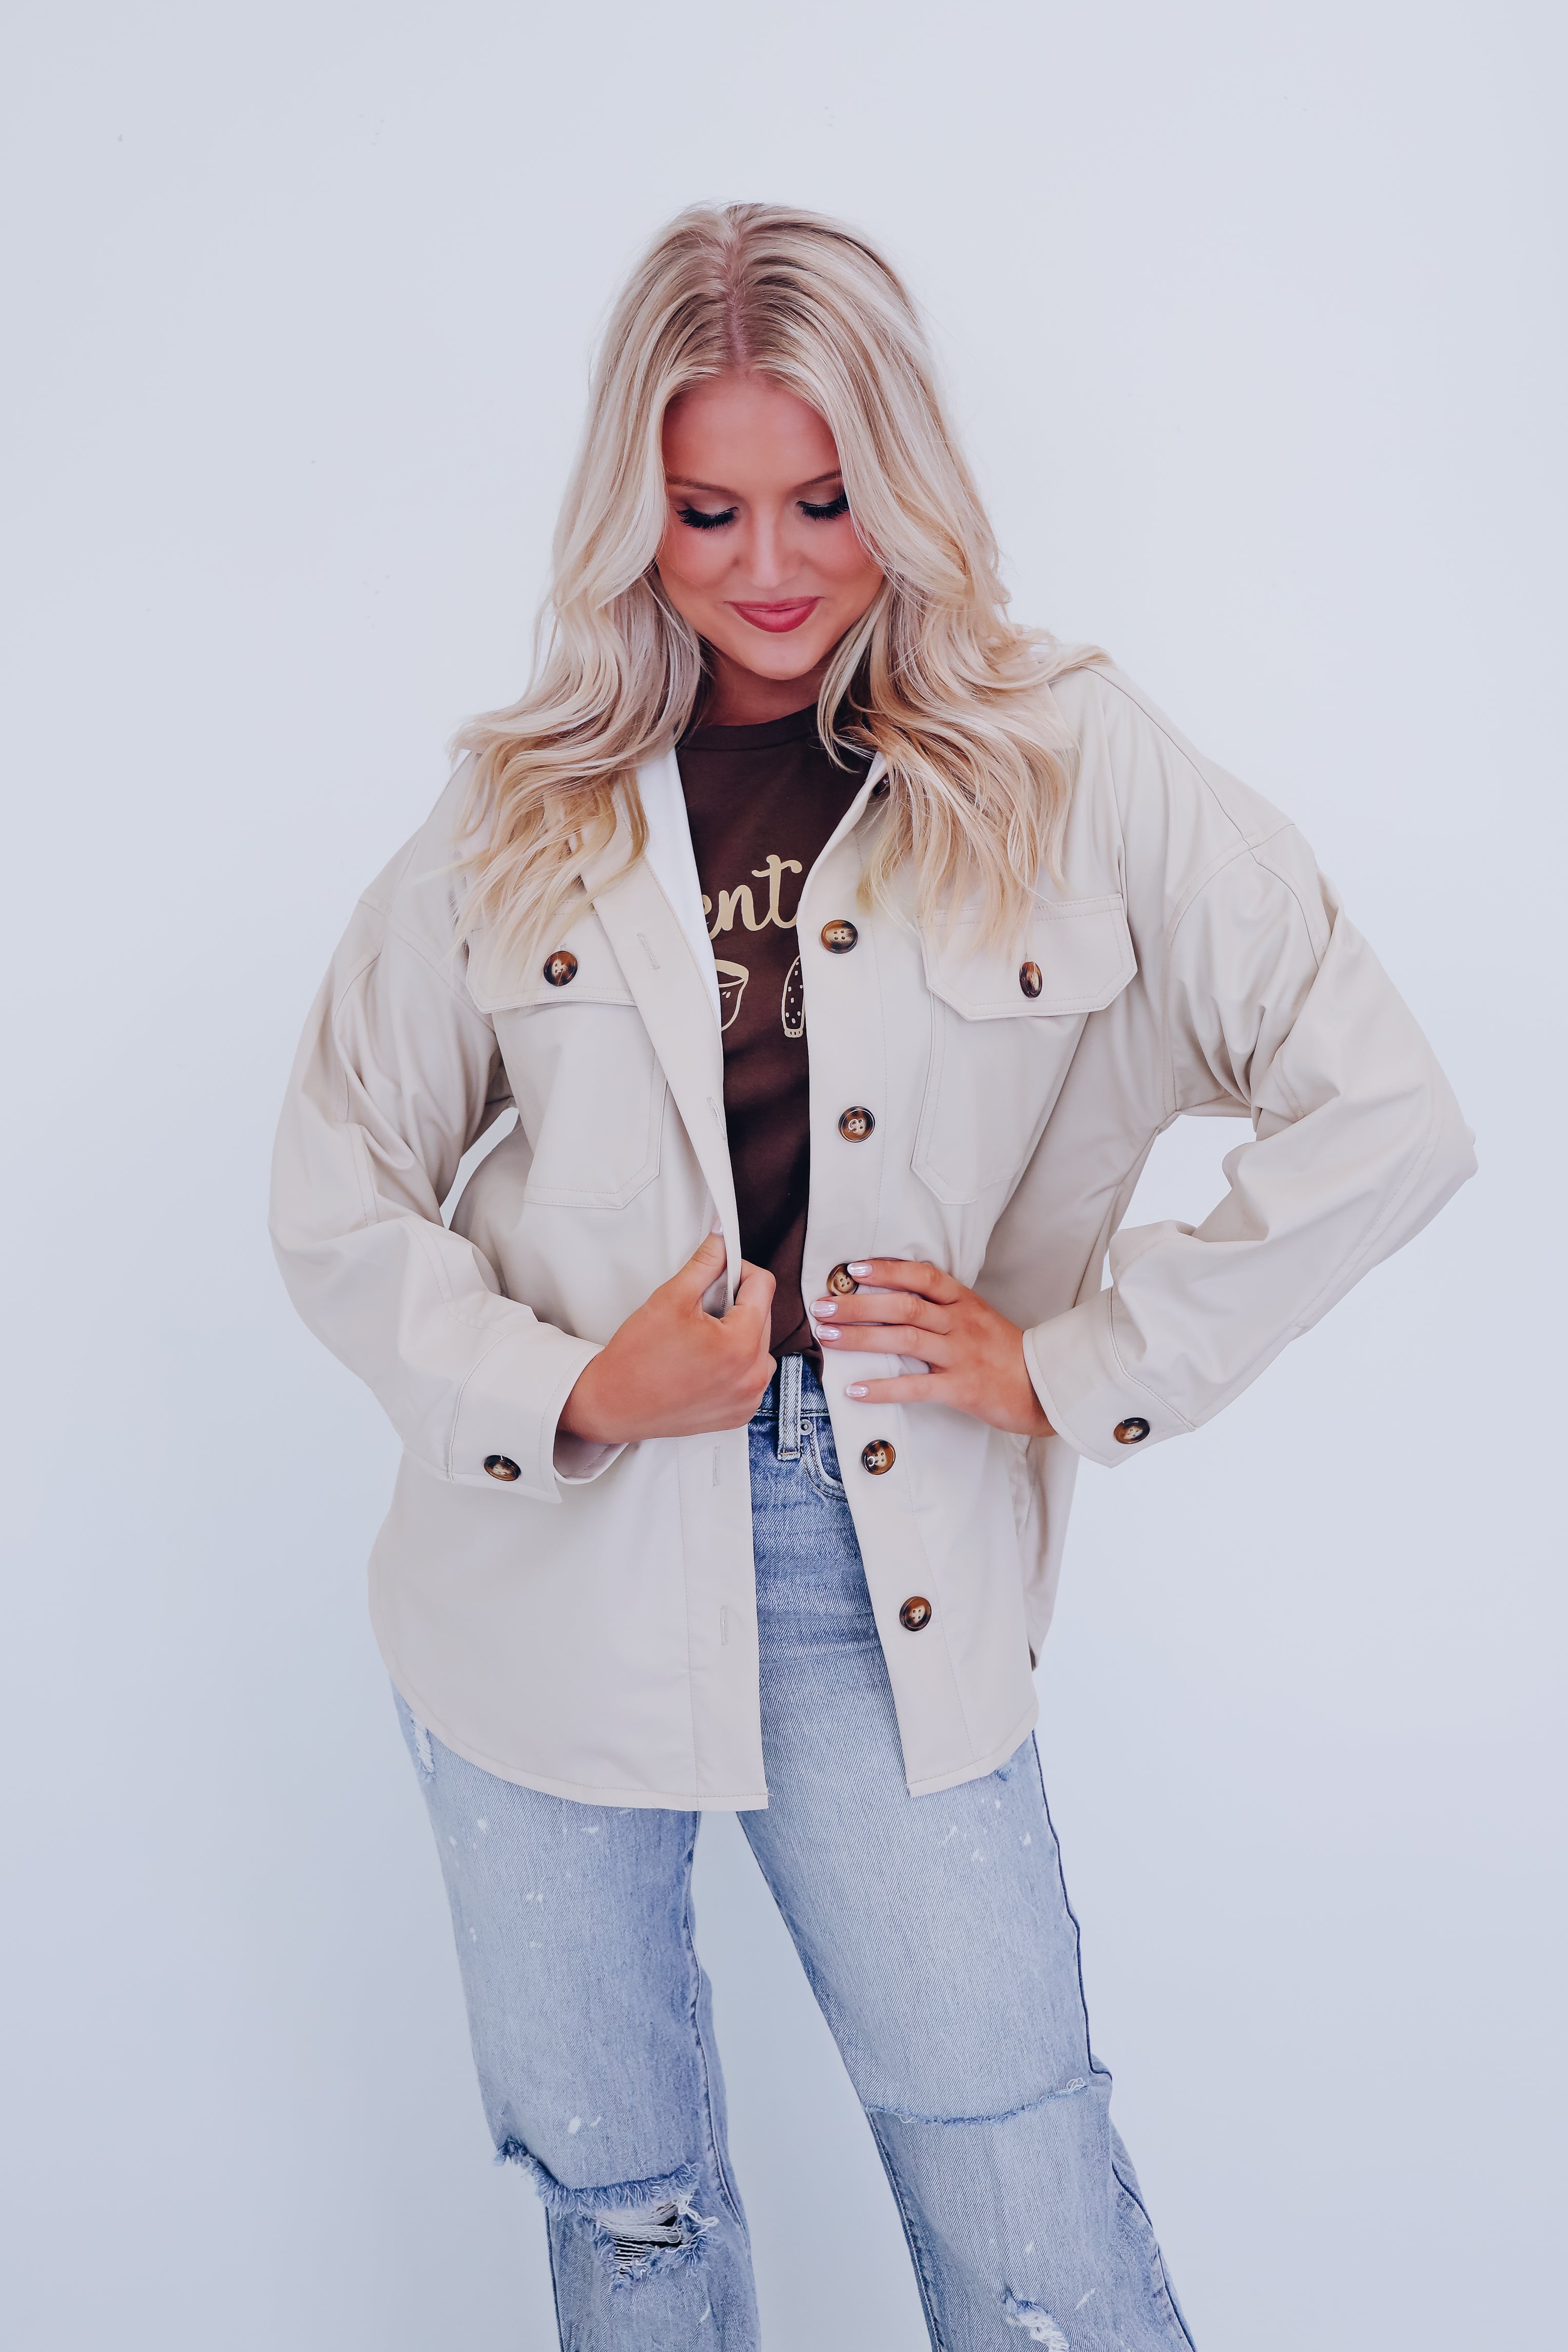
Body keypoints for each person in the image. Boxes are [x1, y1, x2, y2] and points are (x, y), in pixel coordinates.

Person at [269, 204, 1474, 2351]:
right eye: (706, 509)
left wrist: (1077, 1365)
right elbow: (335, 1182)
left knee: (1023, 2199)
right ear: (634, 511)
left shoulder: (1073, 763)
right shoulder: (522, 803)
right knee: (625, 2214)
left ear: (903, 480)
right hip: (537, 1579)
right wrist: (569, 1391)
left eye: (823, 500)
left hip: (873, 1556)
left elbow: (1382, 1111)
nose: (767, 565)